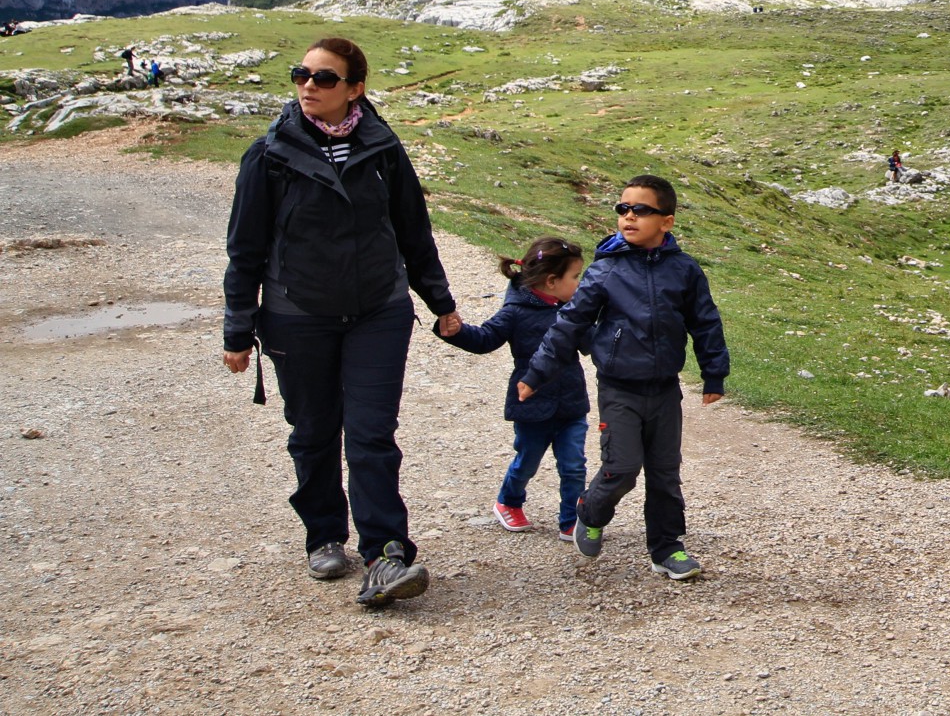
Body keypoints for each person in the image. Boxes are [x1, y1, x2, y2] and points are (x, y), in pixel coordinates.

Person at [221, 36, 462, 608]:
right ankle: (325, 533)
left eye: (324, 78)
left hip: (378, 310)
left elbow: (413, 230)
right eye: (301, 74)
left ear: (355, 89)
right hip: (295, 316)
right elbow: (244, 250)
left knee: (372, 435)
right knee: (313, 432)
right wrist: (238, 330)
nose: (309, 85)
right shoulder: (268, 154)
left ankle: (387, 552)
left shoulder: (383, 149)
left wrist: (440, 301)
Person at [517, 175, 728, 581]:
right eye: (623, 209)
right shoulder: (604, 271)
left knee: (665, 474)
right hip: (619, 388)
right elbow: (568, 326)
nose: (629, 216)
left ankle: (667, 548)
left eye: (641, 210)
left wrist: (713, 373)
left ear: (666, 222)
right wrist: (536, 374)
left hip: (665, 389)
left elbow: (705, 323)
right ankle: (591, 511)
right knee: (623, 467)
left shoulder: (684, 270)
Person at [435, 236, 591, 540]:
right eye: (575, 277)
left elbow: (591, 343)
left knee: (574, 465)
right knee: (527, 461)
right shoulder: (515, 311)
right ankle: (508, 500)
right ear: (551, 281)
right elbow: (485, 339)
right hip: (531, 404)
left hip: (571, 402)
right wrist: (456, 332)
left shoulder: (573, 310)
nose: (579, 283)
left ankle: (571, 520)